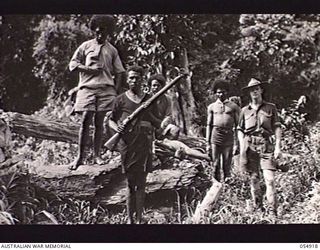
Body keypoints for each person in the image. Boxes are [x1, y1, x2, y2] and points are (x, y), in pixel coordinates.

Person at [68, 15, 125, 170]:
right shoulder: (85, 46)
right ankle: (79, 157)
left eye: (104, 32)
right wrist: (88, 69)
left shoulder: (112, 50)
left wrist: (116, 90)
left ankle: (97, 155)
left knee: (100, 123)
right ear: (94, 31)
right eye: (98, 32)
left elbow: (120, 71)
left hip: (106, 90)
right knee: (86, 120)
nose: (100, 35)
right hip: (87, 88)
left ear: (109, 33)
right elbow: (72, 64)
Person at [109, 66, 164, 224]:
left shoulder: (149, 100)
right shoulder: (120, 99)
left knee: (141, 183)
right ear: (127, 80)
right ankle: (129, 220)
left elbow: (157, 122)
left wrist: (154, 118)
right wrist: (117, 128)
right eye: (131, 78)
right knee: (129, 183)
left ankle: (139, 219)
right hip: (127, 144)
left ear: (142, 80)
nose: (134, 81)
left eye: (137, 78)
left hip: (144, 143)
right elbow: (111, 120)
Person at [237, 78, 282, 216]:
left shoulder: (271, 107)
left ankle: (273, 213)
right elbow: (240, 129)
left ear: (261, 90)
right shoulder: (244, 111)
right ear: (249, 93)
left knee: (270, 179)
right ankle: (258, 210)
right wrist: (241, 145)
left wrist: (278, 147)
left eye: (256, 89)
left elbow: (277, 127)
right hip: (250, 146)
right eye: (251, 90)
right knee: (254, 179)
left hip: (266, 145)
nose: (254, 92)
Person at [206, 79, 240, 182]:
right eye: (218, 92)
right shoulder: (211, 107)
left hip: (228, 136)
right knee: (215, 164)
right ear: (215, 93)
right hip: (215, 136)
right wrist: (207, 143)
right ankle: (216, 186)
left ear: (227, 92)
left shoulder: (233, 107)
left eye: (223, 92)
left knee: (227, 164)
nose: (221, 94)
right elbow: (209, 125)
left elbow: (238, 126)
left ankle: (227, 187)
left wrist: (236, 144)